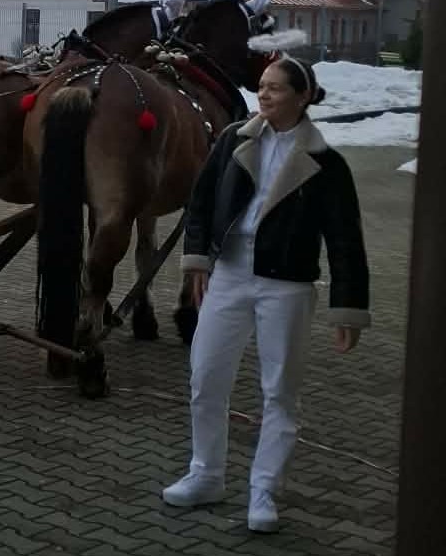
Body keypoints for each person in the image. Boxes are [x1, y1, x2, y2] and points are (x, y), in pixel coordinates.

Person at [162, 55, 370, 533]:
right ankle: (205, 475)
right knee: (206, 378)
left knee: (279, 392)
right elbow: (201, 202)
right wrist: (197, 259)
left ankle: (263, 493)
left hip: (287, 286)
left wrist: (349, 307)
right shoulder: (234, 139)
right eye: (262, 85)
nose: (265, 94)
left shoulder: (325, 162)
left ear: (302, 96)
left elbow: (345, 238)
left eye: (276, 88)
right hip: (229, 277)